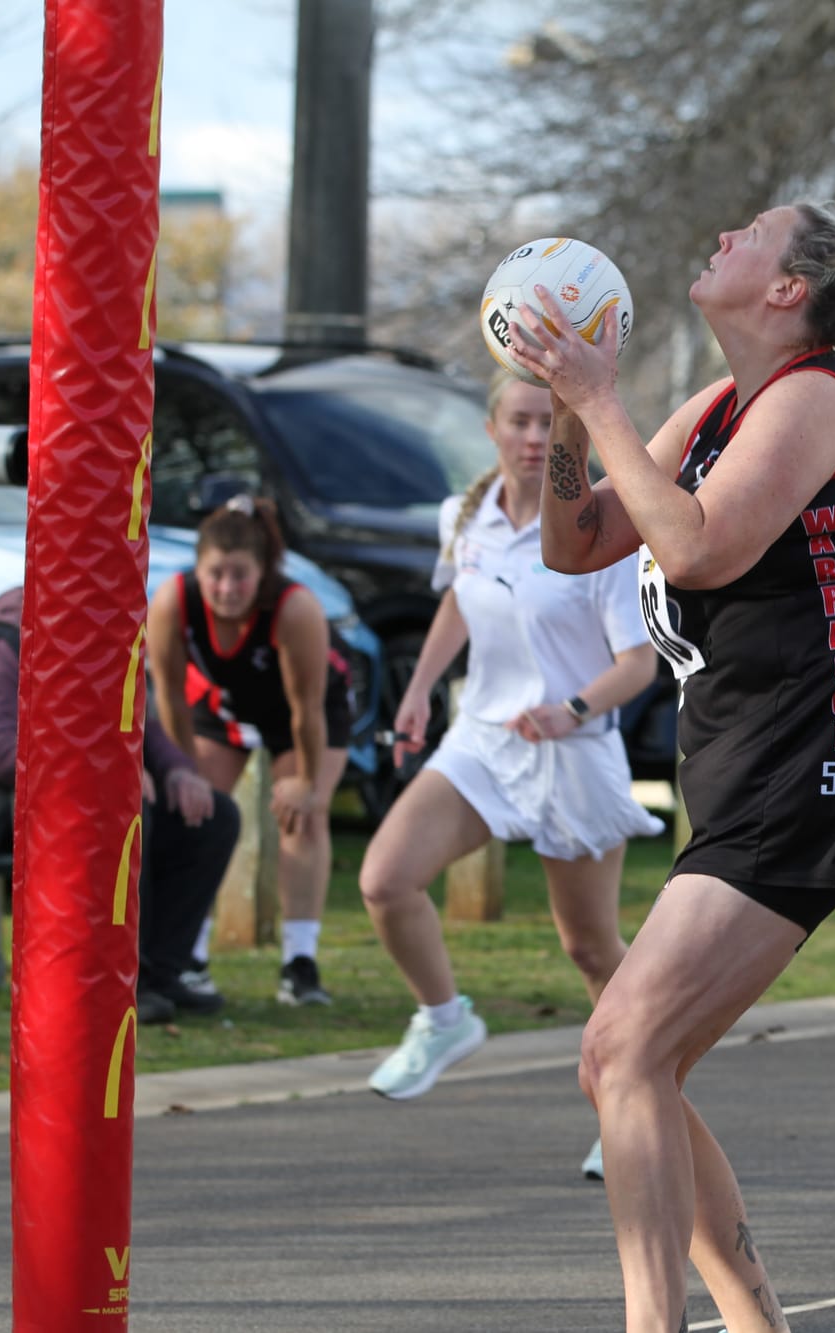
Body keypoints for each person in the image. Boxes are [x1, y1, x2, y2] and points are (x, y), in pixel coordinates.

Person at [512, 202, 835, 1332]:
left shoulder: (811, 400)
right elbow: (574, 544)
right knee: (627, 1063)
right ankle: (753, 1319)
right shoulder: (713, 409)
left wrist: (601, 397)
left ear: (786, 289)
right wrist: (564, 413)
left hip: (822, 755)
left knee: (622, 1046)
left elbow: (698, 543)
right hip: (744, 758)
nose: (720, 235)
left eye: (746, 232)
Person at [358, 369, 664, 1180]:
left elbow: (639, 663)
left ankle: (632, 1098)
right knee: (386, 880)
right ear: (492, 429)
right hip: (483, 742)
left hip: (573, 750)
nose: (534, 439)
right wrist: (421, 690)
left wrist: (573, 706)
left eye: (547, 425)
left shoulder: (596, 529)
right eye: (520, 422)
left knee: (591, 946)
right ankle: (444, 1019)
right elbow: (461, 600)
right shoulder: (464, 515)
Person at [0, 586, 240, 1022]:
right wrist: (93, 770)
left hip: (86, 795)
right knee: (121, 810)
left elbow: (142, 723)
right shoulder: (4, 642)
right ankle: (117, 979)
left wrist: (178, 771)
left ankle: (160, 973)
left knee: (214, 816)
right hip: (4, 805)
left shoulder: (103, 639)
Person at [145, 494, 353, 1007]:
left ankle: (298, 964)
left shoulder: (296, 608)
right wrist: (183, 771)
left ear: (262, 573)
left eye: (240, 575)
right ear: (197, 569)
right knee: (195, 816)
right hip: (220, 707)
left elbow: (306, 708)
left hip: (305, 713)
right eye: (216, 574)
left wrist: (305, 782)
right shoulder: (173, 601)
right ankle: (186, 956)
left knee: (302, 817)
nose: (227, 589)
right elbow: (169, 694)